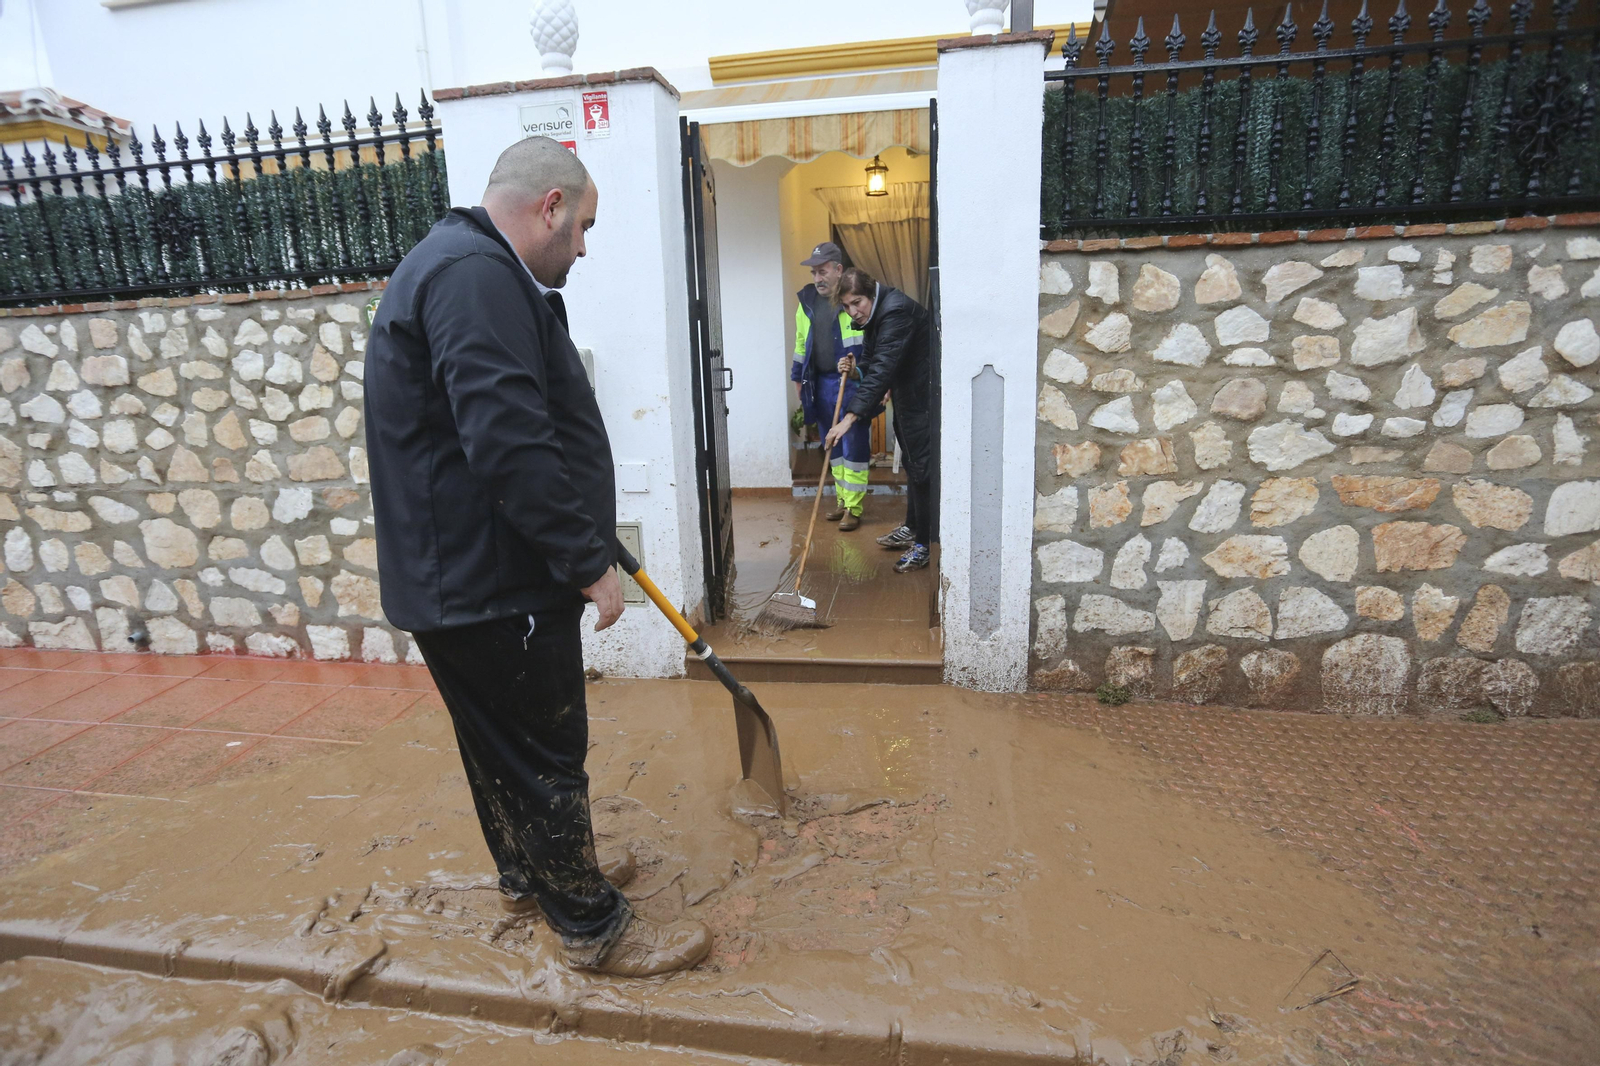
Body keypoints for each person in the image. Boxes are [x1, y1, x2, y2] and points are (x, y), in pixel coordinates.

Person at [363, 136, 711, 978]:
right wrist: (585, 560)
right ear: (549, 206)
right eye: (583, 226)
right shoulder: (475, 276)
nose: (583, 248)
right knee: (546, 756)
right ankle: (591, 924)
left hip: (464, 579)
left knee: (499, 748)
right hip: (493, 584)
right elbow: (508, 438)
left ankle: (533, 874)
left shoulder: (462, 266)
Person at [824, 267, 934, 573]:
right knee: (913, 463)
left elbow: (883, 371)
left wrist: (848, 419)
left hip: (924, 399)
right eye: (846, 306)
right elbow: (872, 363)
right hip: (908, 396)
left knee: (922, 468)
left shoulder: (895, 312)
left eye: (857, 302)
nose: (853, 311)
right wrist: (855, 370)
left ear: (871, 293)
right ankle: (913, 527)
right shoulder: (874, 315)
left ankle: (924, 544)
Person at [791, 242, 870, 531]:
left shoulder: (854, 300)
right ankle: (842, 500)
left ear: (838, 270)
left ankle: (854, 507)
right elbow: (801, 344)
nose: (817, 278)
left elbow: (871, 344)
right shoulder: (806, 302)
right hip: (820, 384)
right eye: (814, 273)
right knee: (831, 444)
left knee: (853, 444)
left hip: (853, 383)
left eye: (822, 271)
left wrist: (876, 381)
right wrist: (798, 378)